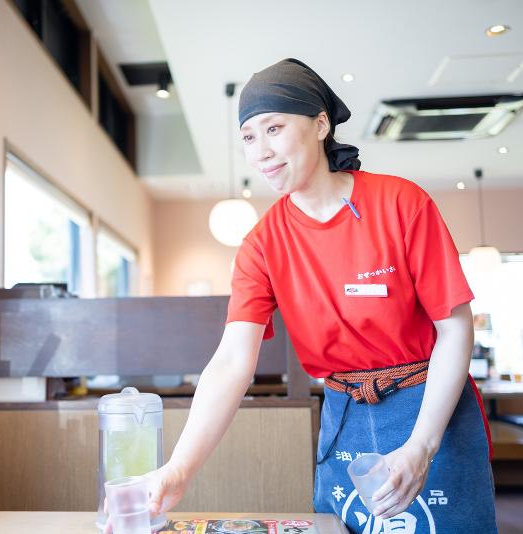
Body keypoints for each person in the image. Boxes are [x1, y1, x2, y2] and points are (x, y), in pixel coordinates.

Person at [145, 59, 497, 533]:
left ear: (320, 124)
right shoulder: (262, 245)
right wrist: (179, 468)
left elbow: (454, 330)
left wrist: (422, 445)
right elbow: (231, 361)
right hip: (344, 414)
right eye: (249, 136)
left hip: (430, 408)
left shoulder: (401, 204)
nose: (261, 152)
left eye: (274, 128)